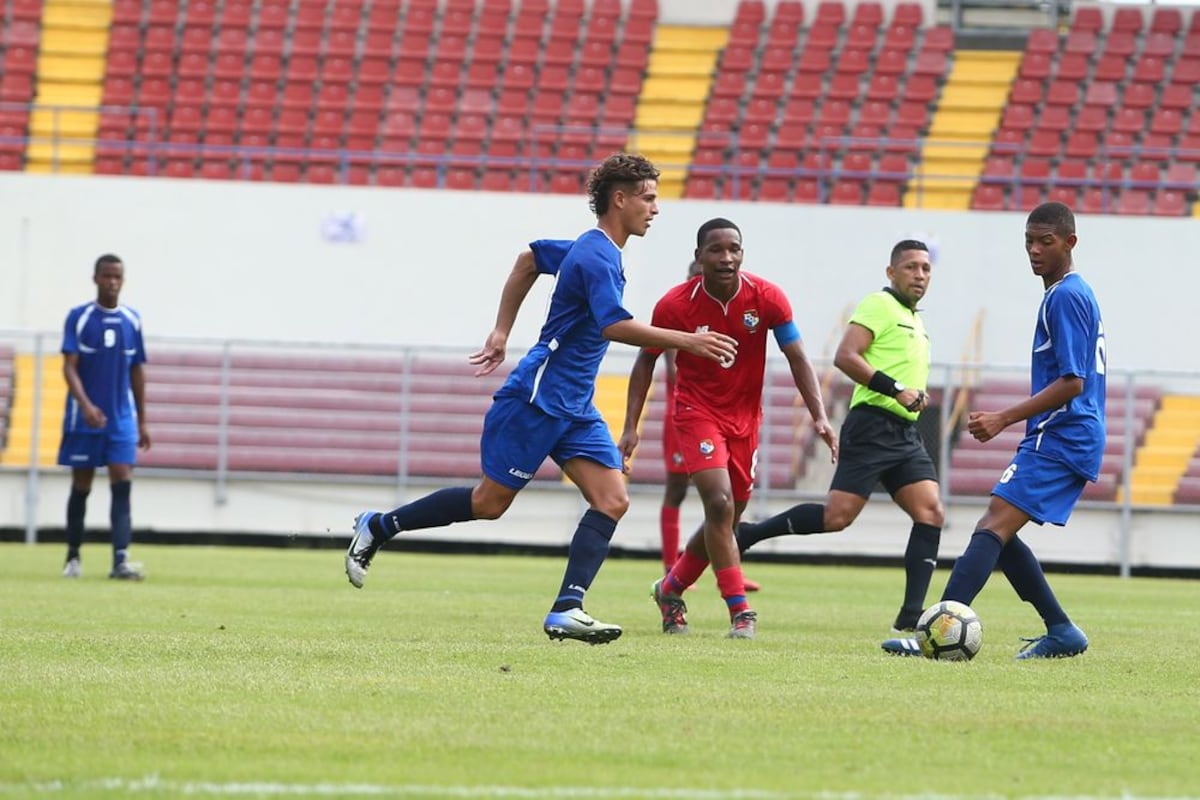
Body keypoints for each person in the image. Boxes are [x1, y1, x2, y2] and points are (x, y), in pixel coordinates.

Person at [343, 153, 738, 645]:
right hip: (539, 397)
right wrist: (688, 339)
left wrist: (501, 330)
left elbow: (529, 259)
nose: (656, 209)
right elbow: (612, 324)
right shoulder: (596, 255)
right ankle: (378, 525)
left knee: (612, 500)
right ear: (620, 199)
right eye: (649, 197)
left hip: (575, 404)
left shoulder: (596, 249)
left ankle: (567, 609)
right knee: (489, 504)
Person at [884, 202, 1102, 659]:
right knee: (999, 534)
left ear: (1070, 243)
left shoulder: (1065, 296)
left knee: (991, 528)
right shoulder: (1067, 294)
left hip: (1063, 433)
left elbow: (1073, 381)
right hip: (1062, 433)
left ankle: (936, 629)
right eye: (1029, 241)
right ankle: (1061, 630)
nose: (1035, 250)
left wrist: (1003, 417)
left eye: (1047, 241)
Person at [619, 218, 837, 638]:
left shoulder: (767, 297)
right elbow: (645, 359)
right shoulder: (675, 306)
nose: (726, 257)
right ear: (698, 257)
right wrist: (631, 425)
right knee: (718, 505)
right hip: (695, 412)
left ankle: (671, 589)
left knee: (728, 516)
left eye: (733, 249)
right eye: (716, 250)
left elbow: (797, 357)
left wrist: (820, 415)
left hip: (745, 419)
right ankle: (740, 609)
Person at [735, 239, 943, 636]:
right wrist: (897, 387)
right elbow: (846, 356)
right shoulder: (878, 305)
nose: (919, 275)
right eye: (911, 267)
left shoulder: (916, 319)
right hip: (872, 425)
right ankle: (749, 533)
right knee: (837, 518)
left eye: (925, 268)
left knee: (931, 512)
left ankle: (911, 614)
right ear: (891, 273)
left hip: (904, 431)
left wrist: (913, 395)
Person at [58, 253, 151, 581]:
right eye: (107, 276)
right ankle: (73, 556)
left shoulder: (132, 320)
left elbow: (137, 370)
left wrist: (142, 420)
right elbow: (69, 366)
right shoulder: (80, 318)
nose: (112, 282)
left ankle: (120, 561)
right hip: (85, 417)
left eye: (118, 277)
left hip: (121, 419)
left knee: (122, 483)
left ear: (123, 280)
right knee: (81, 484)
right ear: (96, 278)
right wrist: (85, 405)